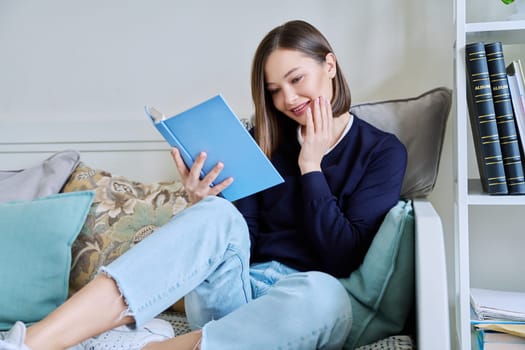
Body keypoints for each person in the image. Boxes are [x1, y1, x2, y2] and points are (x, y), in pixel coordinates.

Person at [0, 19, 407, 350]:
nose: (288, 99)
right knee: (215, 211)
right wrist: (202, 203)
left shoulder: (381, 152)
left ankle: (150, 349)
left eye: (297, 79)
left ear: (330, 66)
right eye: (275, 91)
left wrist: (311, 166)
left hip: (304, 307)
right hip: (236, 293)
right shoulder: (265, 142)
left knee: (324, 294)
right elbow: (238, 237)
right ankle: (29, 344)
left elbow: (341, 258)